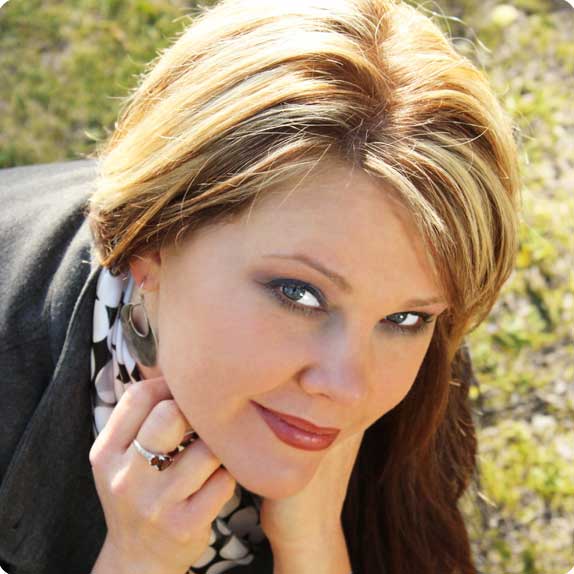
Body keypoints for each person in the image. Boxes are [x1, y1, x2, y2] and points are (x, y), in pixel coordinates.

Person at [0, 0, 521, 573]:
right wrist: (138, 559)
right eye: (299, 294)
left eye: (405, 319)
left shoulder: (413, 365)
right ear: (149, 244)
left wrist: (313, 542)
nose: (347, 388)